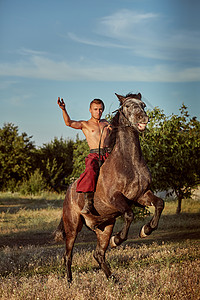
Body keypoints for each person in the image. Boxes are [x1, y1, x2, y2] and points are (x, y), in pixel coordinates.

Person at [57, 97, 112, 214]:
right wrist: (63, 109)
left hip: (108, 154)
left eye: (100, 109)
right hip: (94, 155)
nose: (98, 112)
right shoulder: (85, 124)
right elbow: (68, 123)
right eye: (95, 109)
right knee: (90, 170)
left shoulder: (107, 123)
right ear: (90, 110)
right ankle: (88, 202)